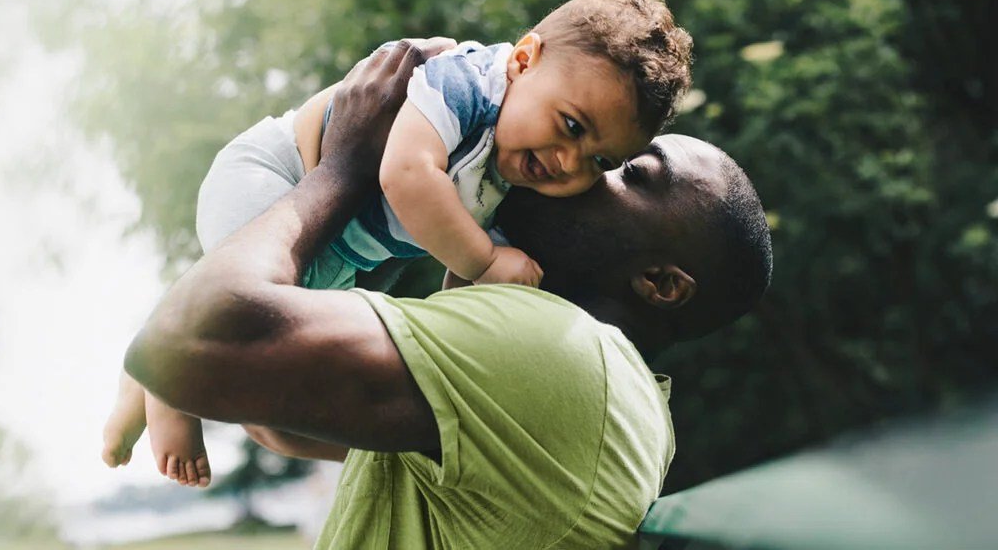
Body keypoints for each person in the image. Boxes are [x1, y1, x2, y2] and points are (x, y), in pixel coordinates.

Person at [123, 39, 773, 548]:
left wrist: (344, 166)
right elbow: (273, 411)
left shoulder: (556, 354)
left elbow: (188, 345)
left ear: (661, 284)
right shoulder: (594, 391)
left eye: (621, 168)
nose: (580, 170)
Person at [102, 0, 694, 488]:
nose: (569, 160)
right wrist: (488, 260)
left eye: (597, 160)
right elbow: (406, 175)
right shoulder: (468, 84)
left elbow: (458, 268)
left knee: (287, 340)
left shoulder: (519, 168)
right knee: (233, 309)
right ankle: (172, 398)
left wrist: (466, 310)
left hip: (337, 243)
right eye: (571, 125)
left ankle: (144, 364)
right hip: (278, 176)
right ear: (523, 59)